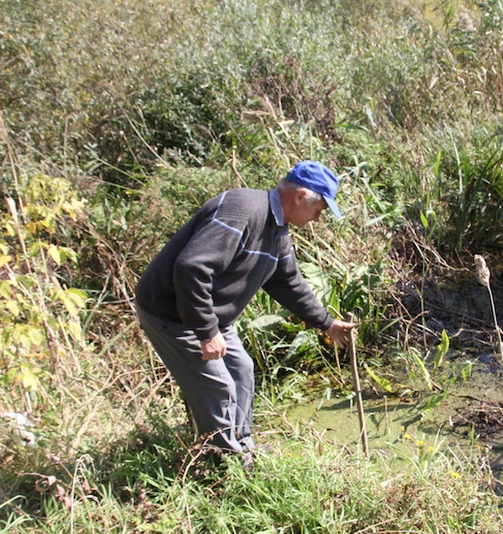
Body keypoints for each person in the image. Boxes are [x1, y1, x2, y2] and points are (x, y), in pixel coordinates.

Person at [135, 161, 356, 469]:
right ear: (301, 195)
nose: (318, 218)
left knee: (241, 370)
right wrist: (207, 332)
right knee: (217, 386)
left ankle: (241, 446)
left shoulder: (278, 232)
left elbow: (289, 282)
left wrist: (326, 322)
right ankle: (223, 466)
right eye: (319, 209)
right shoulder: (243, 210)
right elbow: (192, 267)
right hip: (174, 314)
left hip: (211, 317)